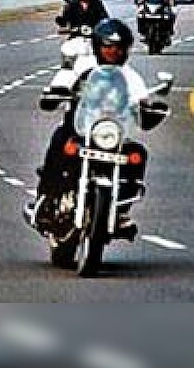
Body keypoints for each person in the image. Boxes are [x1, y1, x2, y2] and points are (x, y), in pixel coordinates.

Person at [32, 20, 156, 238]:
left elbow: (142, 102)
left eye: (118, 48)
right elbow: (61, 81)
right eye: (107, 47)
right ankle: (45, 200)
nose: (113, 52)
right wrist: (55, 93)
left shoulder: (131, 76)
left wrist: (149, 109)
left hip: (112, 136)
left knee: (138, 154)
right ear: (98, 46)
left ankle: (121, 211)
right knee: (60, 141)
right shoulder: (82, 66)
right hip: (79, 130)